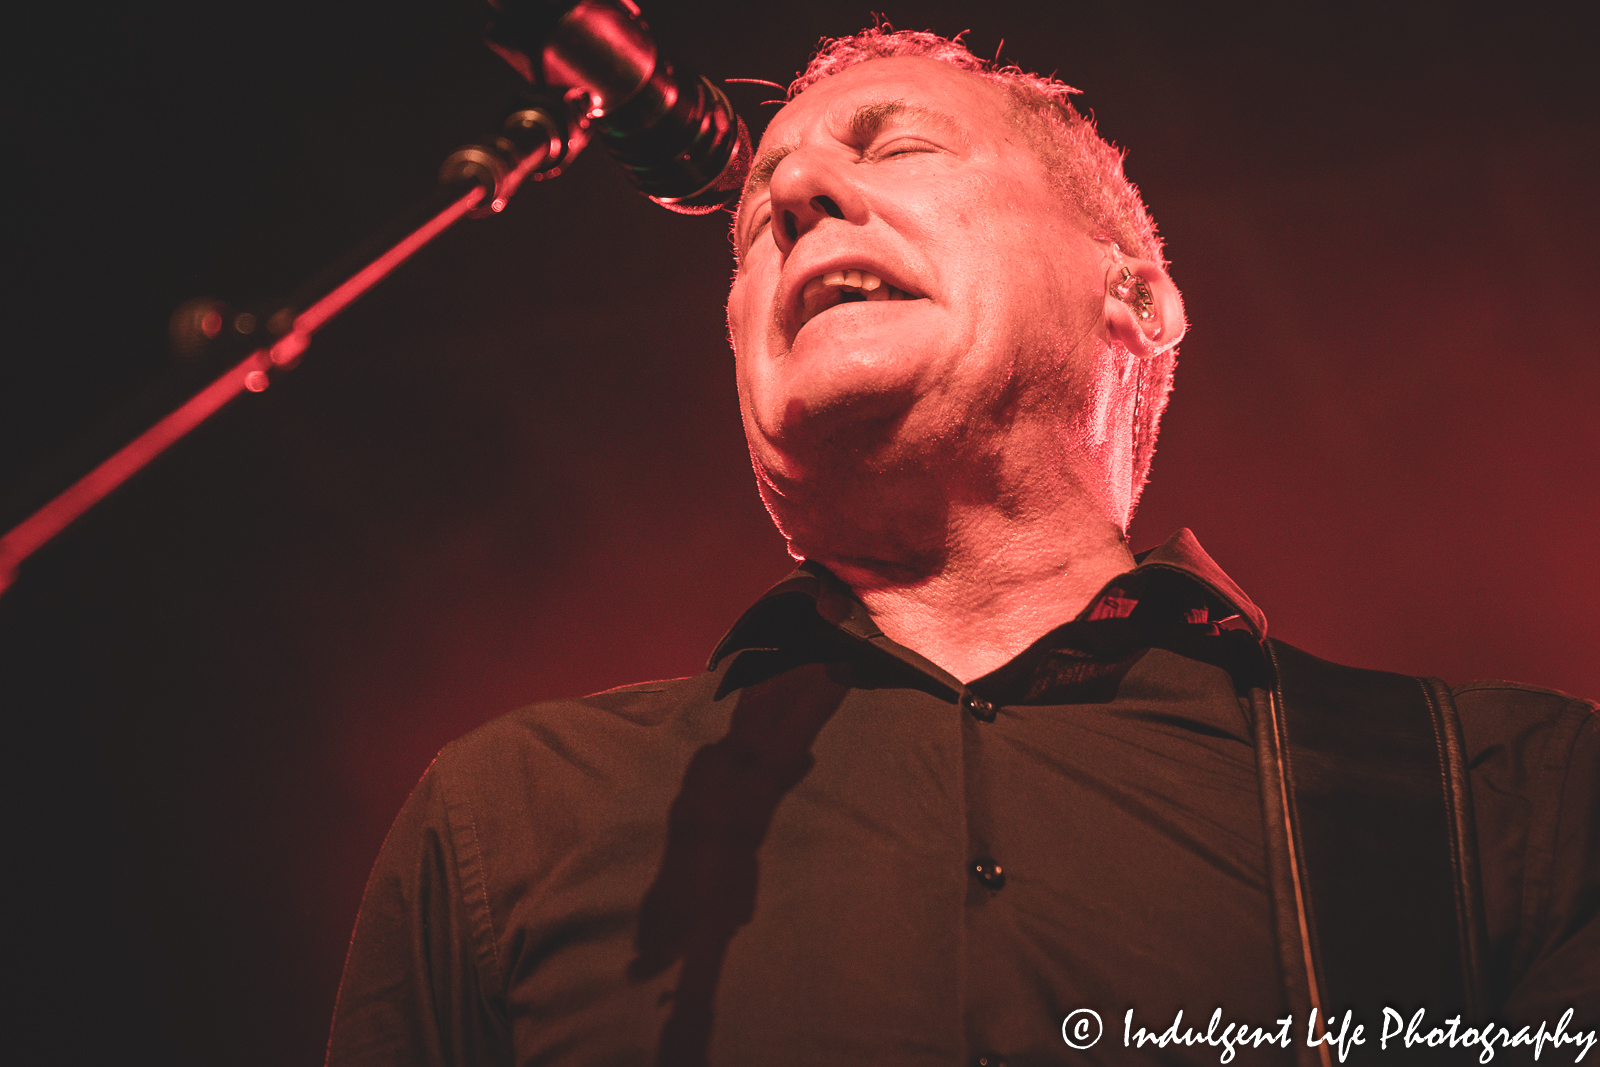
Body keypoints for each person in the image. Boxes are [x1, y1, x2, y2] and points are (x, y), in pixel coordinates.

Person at [324, 26, 1596, 1065]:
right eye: (763, 213)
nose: (798, 195)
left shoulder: (1507, 795)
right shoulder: (510, 819)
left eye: (900, 146)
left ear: (1136, 295)